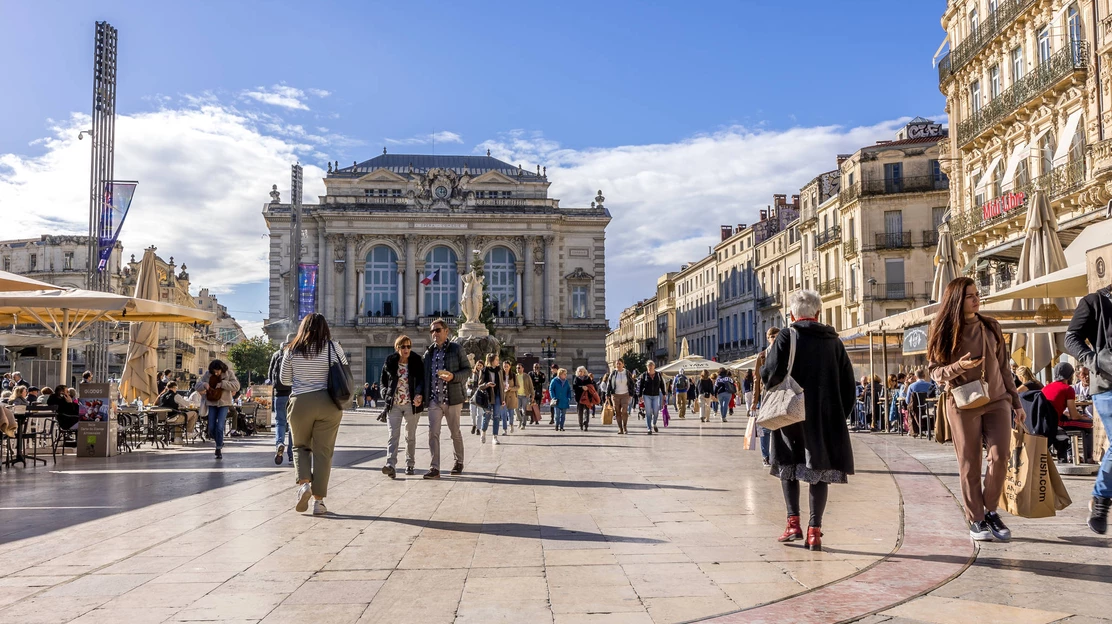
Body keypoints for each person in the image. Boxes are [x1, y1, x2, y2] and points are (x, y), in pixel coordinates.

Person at [761, 290, 855, 552]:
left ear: (792, 314)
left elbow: (769, 375)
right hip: (823, 418)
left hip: (790, 415)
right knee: (818, 472)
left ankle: (793, 524)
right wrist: (838, 415)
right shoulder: (834, 341)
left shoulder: (787, 336)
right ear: (817, 313)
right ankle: (815, 531)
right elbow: (849, 385)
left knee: (787, 467)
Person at [928, 277, 1021, 542]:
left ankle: (990, 510)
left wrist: (1016, 402)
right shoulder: (942, 329)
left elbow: (1004, 368)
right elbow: (934, 371)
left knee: (1001, 455)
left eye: (977, 294)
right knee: (970, 463)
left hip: (997, 399)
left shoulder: (991, 326)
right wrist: (959, 367)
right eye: (970, 295)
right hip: (962, 401)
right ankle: (976, 519)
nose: (976, 299)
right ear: (957, 299)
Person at [280, 313, 345, 515]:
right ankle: (319, 502)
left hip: (300, 402)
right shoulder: (334, 347)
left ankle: (305, 484)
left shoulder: (291, 349)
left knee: (300, 446)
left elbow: (284, 379)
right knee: (323, 453)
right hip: (328, 403)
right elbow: (344, 371)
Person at [1065, 285, 1112, 534]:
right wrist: (1092, 361)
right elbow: (1071, 337)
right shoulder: (1096, 301)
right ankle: (1101, 500)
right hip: (1108, 383)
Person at [422, 318, 469, 478]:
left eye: (437, 330)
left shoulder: (456, 349)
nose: (434, 333)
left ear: (446, 331)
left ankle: (459, 461)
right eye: (432, 331)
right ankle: (434, 468)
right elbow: (424, 375)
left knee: (454, 432)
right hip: (434, 399)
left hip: (453, 398)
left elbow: (467, 371)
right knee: (432, 433)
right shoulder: (429, 353)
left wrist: (453, 376)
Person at [380, 334, 424, 478]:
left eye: (409, 346)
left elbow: (421, 381)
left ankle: (410, 464)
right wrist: (385, 393)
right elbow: (383, 382)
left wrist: (419, 394)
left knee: (409, 436)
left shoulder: (417, 361)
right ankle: (390, 465)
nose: (406, 349)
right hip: (394, 405)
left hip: (412, 405)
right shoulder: (390, 362)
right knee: (393, 435)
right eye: (403, 346)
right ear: (397, 348)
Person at [1042, 362, 1093, 464]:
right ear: (1070, 375)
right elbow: (1074, 416)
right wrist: (1083, 417)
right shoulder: (1068, 389)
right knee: (1091, 425)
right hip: (1058, 423)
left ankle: (1071, 455)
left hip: (1045, 422)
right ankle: (1088, 457)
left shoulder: (1046, 387)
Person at [195, 358, 241, 460]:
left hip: (224, 403)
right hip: (211, 403)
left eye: (218, 371)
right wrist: (204, 385)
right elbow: (197, 385)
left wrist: (224, 384)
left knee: (220, 426)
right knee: (211, 428)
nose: (216, 373)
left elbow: (237, 386)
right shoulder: (207, 374)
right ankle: (219, 441)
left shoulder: (229, 373)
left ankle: (218, 448)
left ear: (221, 369)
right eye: (214, 371)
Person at [753, 327, 782, 465]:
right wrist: (754, 401)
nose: (775, 338)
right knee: (765, 427)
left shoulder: (786, 353)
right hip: (766, 394)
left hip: (782, 393)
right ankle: (766, 455)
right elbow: (756, 379)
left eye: (778, 336)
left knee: (782, 425)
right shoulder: (762, 356)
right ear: (768, 338)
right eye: (773, 336)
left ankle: (780, 455)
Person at [267, 336, 294, 465]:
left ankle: (279, 443)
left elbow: (269, 375)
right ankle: (291, 455)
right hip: (294, 394)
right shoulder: (296, 353)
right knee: (294, 425)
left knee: (280, 422)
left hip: (279, 394)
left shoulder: (276, 354)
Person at [605, 359, 636, 434]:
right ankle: (620, 428)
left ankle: (625, 427)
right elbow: (609, 384)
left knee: (624, 411)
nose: (618, 365)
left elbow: (632, 383)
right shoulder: (613, 373)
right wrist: (607, 394)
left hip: (625, 394)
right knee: (617, 412)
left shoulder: (627, 372)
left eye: (619, 363)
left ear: (623, 364)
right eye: (617, 364)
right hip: (615, 395)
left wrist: (631, 394)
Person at [478, 354, 504, 445]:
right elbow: (480, 386)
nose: (498, 361)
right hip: (487, 396)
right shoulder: (484, 370)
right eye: (496, 359)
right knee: (487, 415)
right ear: (492, 360)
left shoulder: (499, 370)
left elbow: (501, 385)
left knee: (497, 416)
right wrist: (487, 385)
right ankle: (483, 432)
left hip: (497, 395)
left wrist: (502, 399)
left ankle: (495, 437)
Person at [638, 361, 666, 434]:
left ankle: (654, 423)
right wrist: (640, 396)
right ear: (647, 367)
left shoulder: (658, 375)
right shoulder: (644, 375)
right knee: (648, 412)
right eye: (648, 366)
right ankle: (649, 428)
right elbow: (641, 386)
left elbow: (662, 385)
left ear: (654, 366)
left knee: (656, 412)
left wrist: (664, 394)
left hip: (656, 395)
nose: (650, 367)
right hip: (646, 395)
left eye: (651, 366)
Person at [572, 366, 598, 432]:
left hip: (587, 397)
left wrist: (587, 388)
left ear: (584, 371)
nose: (580, 372)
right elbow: (574, 387)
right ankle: (580, 424)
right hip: (579, 398)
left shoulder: (588, 378)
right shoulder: (576, 379)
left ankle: (586, 424)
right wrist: (581, 387)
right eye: (579, 371)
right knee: (580, 412)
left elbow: (592, 387)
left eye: (582, 371)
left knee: (587, 411)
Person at [467, 360, 485, 435]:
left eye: (481, 365)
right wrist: (469, 384)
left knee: (480, 413)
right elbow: (468, 383)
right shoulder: (472, 373)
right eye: (478, 365)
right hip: (473, 395)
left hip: (481, 395)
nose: (479, 367)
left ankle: (478, 428)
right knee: (473, 412)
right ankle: (474, 425)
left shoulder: (484, 374)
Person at [514, 363, 534, 429]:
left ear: (523, 368)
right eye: (517, 368)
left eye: (519, 368)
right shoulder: (515, 376)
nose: (518, 369)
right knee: (516, 409)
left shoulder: (527, 376)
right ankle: (520, 420)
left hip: (525, 395)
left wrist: (532, 395)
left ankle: (523, 424)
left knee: (524, 410)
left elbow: (531, 386)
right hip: (517, 395)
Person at [501, 360, 518, 434]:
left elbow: (517, 386)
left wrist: (511, 388)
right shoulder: (500, 375)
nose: (506, 368)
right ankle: (504, 429)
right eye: (504, 367)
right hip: (503, 396)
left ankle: (511, 424)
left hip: (511, 396)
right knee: (503, 414)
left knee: (511, 414)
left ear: (510, 367)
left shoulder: (513, 375)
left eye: (507, 366)